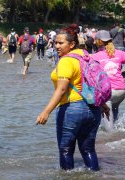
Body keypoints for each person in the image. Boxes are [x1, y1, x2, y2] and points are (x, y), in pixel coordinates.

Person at [36, 24, 109, 171]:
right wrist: (102, 104)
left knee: (66, 150)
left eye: (61, 43)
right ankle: (95, 175)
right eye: (56, 42)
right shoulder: (86, 56)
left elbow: (62, 89)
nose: (57, 46)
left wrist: (46, 111)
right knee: (88, 149)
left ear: (72, 44)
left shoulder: (66, 61)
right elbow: (90, 81)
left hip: (72, 109)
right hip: (93, 109)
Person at [92, 30, 125, 132]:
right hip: (121, 91)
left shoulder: (95, 56)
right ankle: (118, 133)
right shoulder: (120, 53)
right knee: (114, 110)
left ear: (99, 42)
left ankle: (112, 141)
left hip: (107, 93)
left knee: (108, 129)